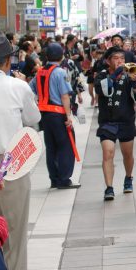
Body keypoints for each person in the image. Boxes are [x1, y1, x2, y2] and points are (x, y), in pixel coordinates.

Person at [0, 36, 42, 270]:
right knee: (12, 234)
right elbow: (33, 117)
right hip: (8, 164)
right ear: (8, 59)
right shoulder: (16, 86)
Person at [95, 46, 136, 201]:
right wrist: (115, 74)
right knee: (107, 152)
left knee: (127, 154)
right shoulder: (101, 75)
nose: (120, 61)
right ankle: (109, 187)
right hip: (107, 121)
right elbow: (103, 90)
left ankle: (128, 177)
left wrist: (135, 84)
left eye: (122, 58)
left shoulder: (129, 74)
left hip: (126, 119)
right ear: (108, 61)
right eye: (116, 58)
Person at [33, 43, 79, 189]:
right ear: (62, 56)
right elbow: (65, 96)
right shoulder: (61, 72)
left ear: (46, 56)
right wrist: (68, 117)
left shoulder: (39, 72)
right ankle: (64, 179)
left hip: (45, 115)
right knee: (65, 146)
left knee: (51, 147)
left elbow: (31, 90)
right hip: (58, 114)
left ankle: (54, 179)